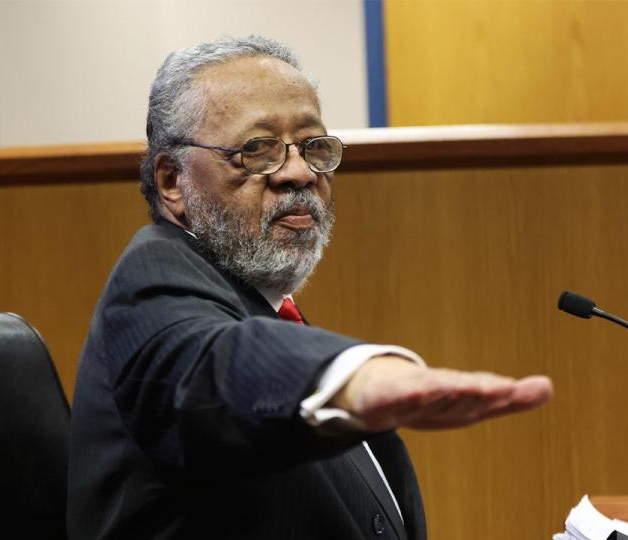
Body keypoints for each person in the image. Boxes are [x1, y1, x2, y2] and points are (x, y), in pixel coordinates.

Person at [67, 35, 553, 540]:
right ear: (172, 181)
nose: (299, 172)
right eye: (257, 150)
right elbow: (214, 367)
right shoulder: (153, 278)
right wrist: (349, 378)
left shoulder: (262, 308)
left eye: (313, 147)